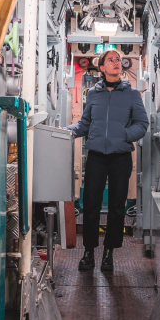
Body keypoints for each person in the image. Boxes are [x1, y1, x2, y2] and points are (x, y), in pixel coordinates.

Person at [66, 49, 149, 272]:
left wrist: (124, 135)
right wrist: (65, 131)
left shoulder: (132, 94)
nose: (116, 63)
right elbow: (84, 124)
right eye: (110, 60)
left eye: (118, 60)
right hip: (96, 157)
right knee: (90, 205)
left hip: (120, 157)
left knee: (116, 206)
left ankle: (109, 252)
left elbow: (142, 124)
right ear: (101, 67)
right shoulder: (93, 93)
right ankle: (89, 251)